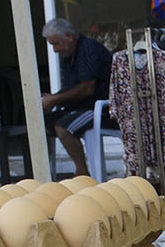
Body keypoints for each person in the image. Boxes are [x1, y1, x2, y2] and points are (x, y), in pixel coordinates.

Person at [40, 18, 112, 179]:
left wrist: (56, 99)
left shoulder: (89, 49)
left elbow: (87, 89)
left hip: (101, 109)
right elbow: (70, 87)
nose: (55, 50)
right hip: (80, 108)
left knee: (63, 127)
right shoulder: (69, 56)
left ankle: (82, 173)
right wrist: (52, 98)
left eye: (56, 44)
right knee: (40, 125)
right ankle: (45, 174)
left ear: (70, 36)